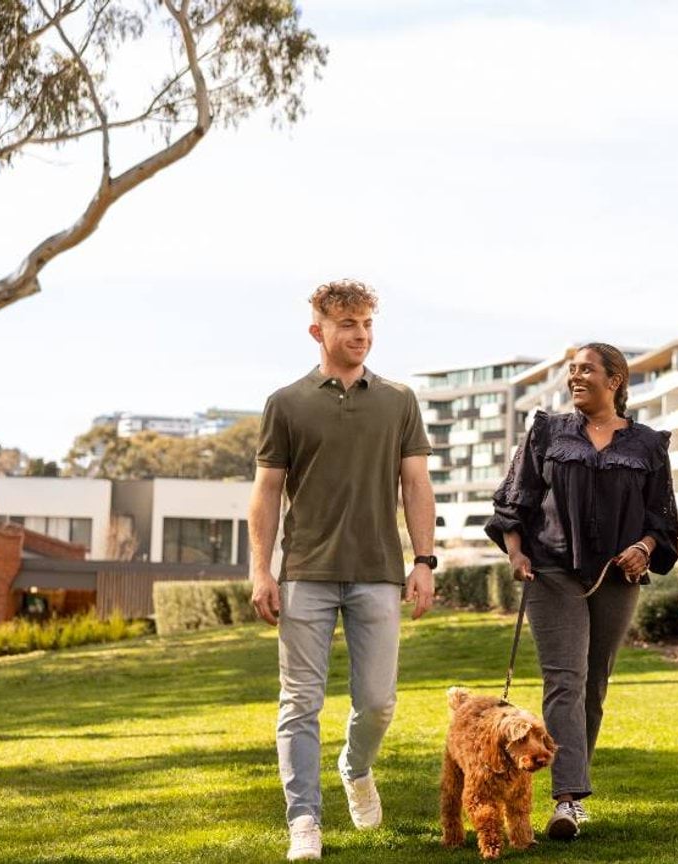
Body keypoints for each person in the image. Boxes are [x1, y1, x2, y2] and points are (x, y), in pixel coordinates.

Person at [248, 279, 438, 861]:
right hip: (305, 570)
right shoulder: (286, 403)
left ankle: (356, 768)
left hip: (378, 570)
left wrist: (425, 560)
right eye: (348, 325)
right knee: (299, 703)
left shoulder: (398, 400)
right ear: (318, 331)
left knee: (378, 700)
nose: (360, 335)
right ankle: (304, 818)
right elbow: (267, 493)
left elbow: (415, 483)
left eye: (367, 325)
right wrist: (262, 570)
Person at [485, 343, 678, 841]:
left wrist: (644, 545)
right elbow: (516, 497)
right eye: (571, 370)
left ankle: (574, 787)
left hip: (617, 578)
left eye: (586, 370)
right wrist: (516, 552)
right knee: (564, 682)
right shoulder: (547, 432)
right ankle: (567, 800)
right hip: (551, 571)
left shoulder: (648, 445)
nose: (575, 377)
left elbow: (662, 519)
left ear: (614, 380)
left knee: (594, 685)